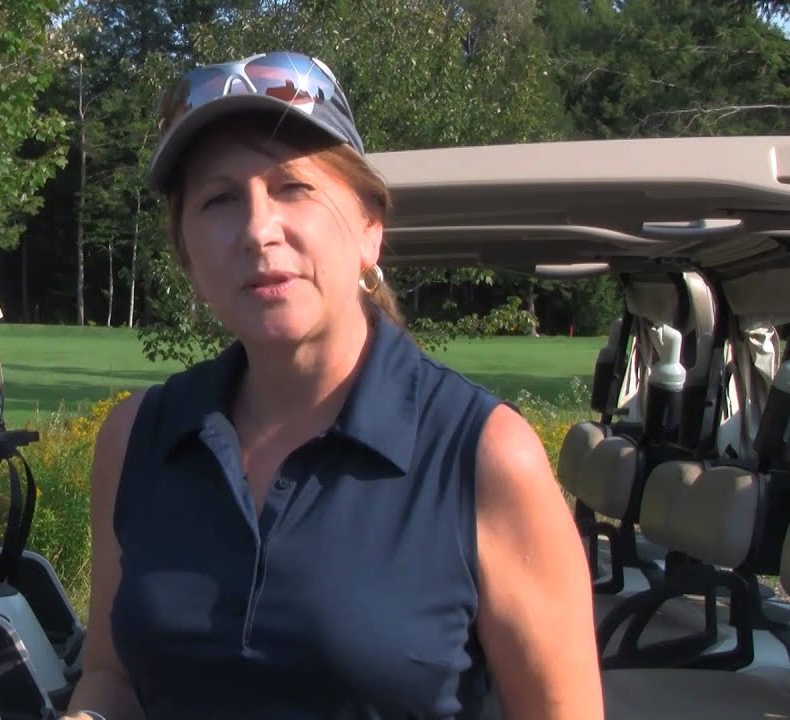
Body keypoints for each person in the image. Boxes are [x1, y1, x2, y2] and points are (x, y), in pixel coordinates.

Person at [63, 51, 603, 720]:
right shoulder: (137, 438)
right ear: (188, 256)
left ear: (370, 228)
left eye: (293, 187)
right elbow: (113, 676)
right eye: (219, 199)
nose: (259, 230)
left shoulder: (484, 455)